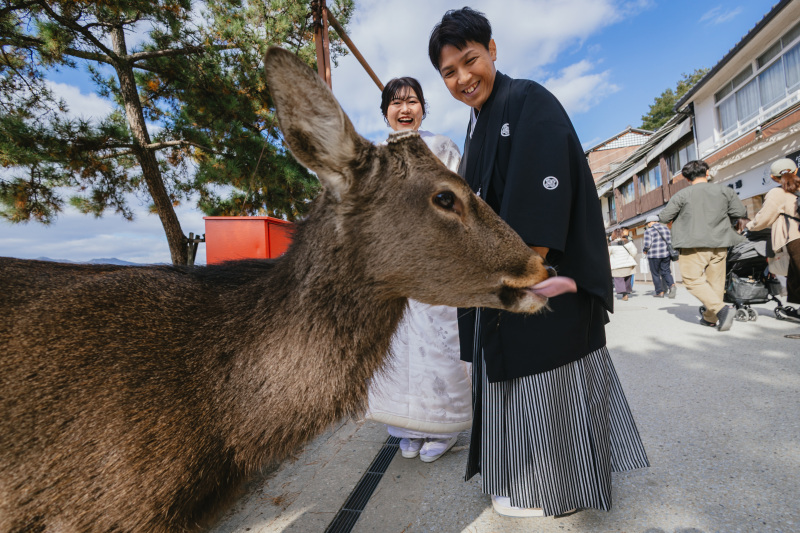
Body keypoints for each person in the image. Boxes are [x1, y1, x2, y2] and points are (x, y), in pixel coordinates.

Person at [428, 7, 649, 518]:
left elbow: (544, 190)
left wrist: (525, 269)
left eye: (470, 60)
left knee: (547, 385)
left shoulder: (529, 100)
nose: (463, 78)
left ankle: (554, 488)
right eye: (449, 72)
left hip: (537, 278)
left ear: (493, 51)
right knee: (508, 390)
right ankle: (515, 477)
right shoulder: (476, 127)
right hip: (498, 285)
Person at [365, 77, 471, 463]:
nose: (404, 109)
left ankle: (442, 427)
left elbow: (460, 201)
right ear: (385, 112)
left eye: (411, 101)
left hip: (435, 267)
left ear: (423, 108)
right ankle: (405, 429)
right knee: (396, 350)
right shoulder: (374, 154)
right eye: (396, 103)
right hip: (392, 270)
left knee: (439, 346)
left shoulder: (442, 146)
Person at [659, 160, 746, 331]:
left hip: (693, 244)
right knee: (716, 282)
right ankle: (710, 318)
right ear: (707, 173)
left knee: (692, 279)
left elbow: (664, 217)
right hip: (720, 243)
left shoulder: (683, 195)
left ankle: (721, 310)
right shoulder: (725, 191)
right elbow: (739, 213)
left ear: (686, 178)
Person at [745, 158, 800, 305]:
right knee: (795, 275)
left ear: (772, 177)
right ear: (795, 171)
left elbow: (764, 218)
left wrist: (749, 226)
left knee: (796, 274)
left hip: (795, 238)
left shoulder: (777, 193)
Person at [642, 215, 677, 298]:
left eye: (648, 223)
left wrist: (645, 250)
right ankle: (672, 285)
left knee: (655, 274)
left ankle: (659, 292)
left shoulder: (648, 231)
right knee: (666, 271)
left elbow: (647, 244)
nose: (648, 225)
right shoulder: (666, 229)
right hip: (666, 254)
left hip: (654, 255)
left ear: (651, 222)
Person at [608, 229, 637, 301]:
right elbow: (634, 252)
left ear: (613, 235)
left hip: (617, 266)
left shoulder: (611, 244)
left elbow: (607, 254)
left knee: (619, 279)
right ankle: (627, 291)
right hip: (628, 264)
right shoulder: (628, 242)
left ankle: (624, 294)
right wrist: (630, 258)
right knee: (627, 279)